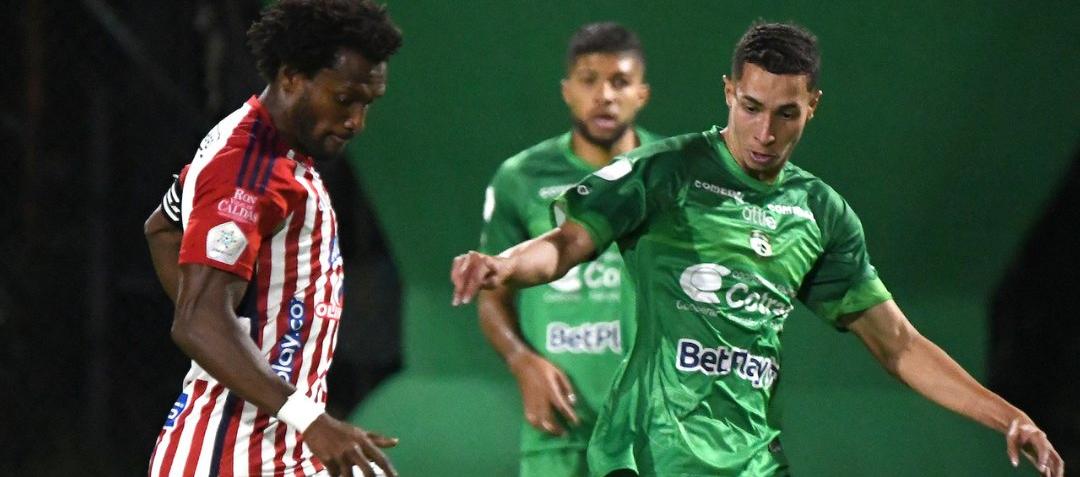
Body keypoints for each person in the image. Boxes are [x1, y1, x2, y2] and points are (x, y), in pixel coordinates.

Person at [451, 21, 1064, 477]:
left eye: (786, 113)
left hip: (752, 460)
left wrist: (1006, 415)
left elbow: (898, 345)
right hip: (648, 454)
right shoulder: (664, 171)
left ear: (813, 107)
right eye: (751, 107)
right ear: (728, 92)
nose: (765, 133)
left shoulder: (821, 213)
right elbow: (566, 244)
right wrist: (503, 264)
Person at [143, 1, 402, 476]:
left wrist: (233, 332)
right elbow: (197, 321)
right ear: (291, 77)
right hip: (228, 456)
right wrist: (213, 317)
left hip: (281, 443)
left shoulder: (271, 151)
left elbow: (162, 226)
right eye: (345, 99)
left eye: (367, 104)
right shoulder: (248, 169)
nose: (356, 121)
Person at [477, 22, 658, 477]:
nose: (605, 95)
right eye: (589, 80)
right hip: (559, 427)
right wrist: (521, 361)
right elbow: (492, 296)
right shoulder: (521, 177)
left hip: (654, 428)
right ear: (567, 91)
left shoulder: (669, 172)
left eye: (620, 81)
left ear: (642, 93)